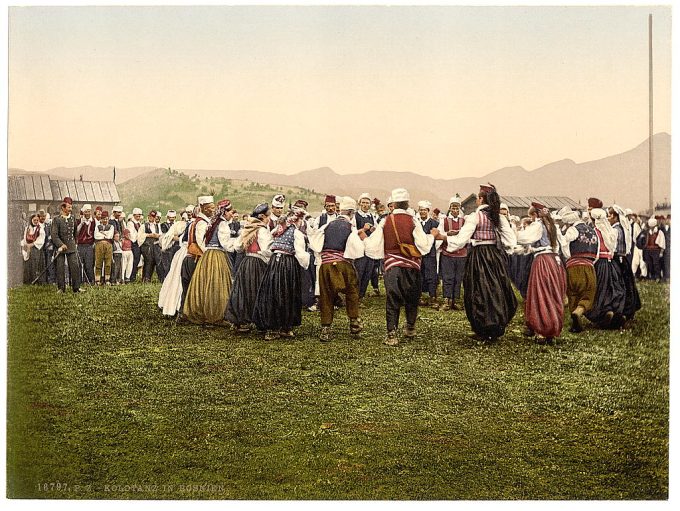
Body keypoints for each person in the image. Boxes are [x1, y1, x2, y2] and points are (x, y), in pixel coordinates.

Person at [433, 184, 517, 342]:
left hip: (479, 256)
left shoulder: (475, 217)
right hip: (494, 256)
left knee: (478, 291)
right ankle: (496, 326)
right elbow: (510, 240)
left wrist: (442, 237)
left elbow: (460, 241)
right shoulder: (498, 216)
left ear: (480, 199)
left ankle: (483, 328)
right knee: (496, 290)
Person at [363, 188, 434, 346]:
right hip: (412, 266)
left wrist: (364, 240)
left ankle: (391, 335)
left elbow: (374, 245)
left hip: (392, 266)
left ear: (393, 204)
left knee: (393, 299)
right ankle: (410, 327)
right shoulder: (413, 221)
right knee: (412, 297)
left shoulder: (386, 221)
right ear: (407, 204)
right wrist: (432, 236)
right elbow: (423, 246)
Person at [309, 196, 365, 342]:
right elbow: (357, 249)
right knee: (352, 291)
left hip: (326, 265)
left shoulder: (327, 225)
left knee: (326, 295)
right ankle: (354, 322)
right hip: (343, 264)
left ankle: (326, 329)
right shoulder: (350, 228)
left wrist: (325, 257)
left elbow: (315, 243)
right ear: (352, 213)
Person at [253, 205, 311, 340]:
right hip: (288, 264)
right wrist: (306, 262)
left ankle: (272, 328)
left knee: (272, 292)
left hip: (274, 263)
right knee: (288, 293)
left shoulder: (277, 230)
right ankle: (285, 327)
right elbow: (300, 253)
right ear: (297, 220)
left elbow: (268, 248)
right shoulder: (296, 233)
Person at [516, 202, 567, 344]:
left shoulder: (538, 225)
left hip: (542, 261)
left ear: (535, 214)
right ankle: (552, 329)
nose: (531, 219)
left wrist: (512, 232)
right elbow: (562, 246)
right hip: (554, 261)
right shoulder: (553, 226)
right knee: (553, 294)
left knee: (541, 294)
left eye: (531, 215)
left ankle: (542, 330)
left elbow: (525, 238)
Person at [183, 199, 236, 325]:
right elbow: (226, 244)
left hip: (208, 255)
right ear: (224, 212)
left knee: (206, 284)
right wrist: (239, 243)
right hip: (217, 255)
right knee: (217, 285)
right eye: (230, 212)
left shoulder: (213, 222)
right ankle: (216, 314)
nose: (231, 215)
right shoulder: (222, 224)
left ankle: (205, 312)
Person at [226, 203, 274, 332]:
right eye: (268, 216)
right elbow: (266, 250)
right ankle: (258, 320)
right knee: (257, 291)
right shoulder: (262, 230)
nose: (269, 219)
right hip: (258, 263)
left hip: (246, 261)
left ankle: (240, 321)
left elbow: (238, 247)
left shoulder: (247, 228)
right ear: (263, 216)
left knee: (243, 291)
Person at [558, 207, 599, 333]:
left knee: (573, 294)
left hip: (573, 266)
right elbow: (596, 253)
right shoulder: (593, 231)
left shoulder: (572, 230)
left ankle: (574, 319)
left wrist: (568, 258)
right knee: (588, 294)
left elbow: (565, 246)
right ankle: (578, 312)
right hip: (589, 265)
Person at [179, 196, 215, 321]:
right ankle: (192, 314)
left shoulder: (197, 221)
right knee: (194, 287)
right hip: (195, 258)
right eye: (210, 208)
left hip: (189, 257)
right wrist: (208, 254)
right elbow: (201, 241)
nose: (213, 210)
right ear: (204, 208)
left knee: (187, 287)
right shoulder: (201, 223)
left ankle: (184, 313)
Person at [608, 205, 641, 324]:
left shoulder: (615, 230)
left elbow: (613, 247)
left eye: (609, 216)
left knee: (620, 285)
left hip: (617, 259)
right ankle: (629, 310)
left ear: (614, 216)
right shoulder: (622, 228)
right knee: (628, 285)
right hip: (623, 259)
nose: (608, 218)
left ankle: (622, 311)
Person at [435, 195, 467, 311]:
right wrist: (449, 234)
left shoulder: (464, 221)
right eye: (453, 208)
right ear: (449, 208)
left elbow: (467, 235)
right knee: (448, 277)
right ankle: (447, 300)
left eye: (457, 208)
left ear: (460, 209)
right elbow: (439, 234)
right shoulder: (444, 221)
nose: (455, 210)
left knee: (458, 277)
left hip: (461, 254)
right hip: (448, 253)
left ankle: (455, 300)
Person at [51, 197, 82, 293]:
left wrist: (75, 243)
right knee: (60, 268)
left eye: (71, 207)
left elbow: (75, 233)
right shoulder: (56, 220)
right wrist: (60, 245)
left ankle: (76, 288)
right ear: (63, 208)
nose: (70, 209)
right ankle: (61, 288)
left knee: (75, 267)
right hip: (61, 248)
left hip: (72, 247)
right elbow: (54, 235)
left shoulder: (73, 218)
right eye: (68, 207)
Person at [354, 193, 379, 300]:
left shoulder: (372, 216)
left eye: (367, 203)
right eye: (363, 203)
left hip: (369, 248)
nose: (365, 205)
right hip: (359, 247)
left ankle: (361, 296)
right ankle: (355, 296)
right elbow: (352, 232)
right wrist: (363, 229)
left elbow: (377, 231)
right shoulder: (356, 216)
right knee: (359, 272)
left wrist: (374, 230)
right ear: (359, 204)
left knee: (368, 272)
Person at [416, 200, 440, 308]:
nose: (423, 212)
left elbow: (438, 239)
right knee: (418, 275)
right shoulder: (415, 223)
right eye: (421, 210)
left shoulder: (435, 223)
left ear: (428, 211)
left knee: (431, 275)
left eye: (425, 210)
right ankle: (418, 296)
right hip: (418, 254)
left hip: (430, 254)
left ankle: (432, 297)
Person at [21, 213, 47, 284]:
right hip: (28, 249)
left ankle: (36, 281)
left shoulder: (40, 229)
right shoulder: (27, 228)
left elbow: (41, 240)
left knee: (35, 265)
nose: (35, 221)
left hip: (36, 249)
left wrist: (31, 245)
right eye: (34, 220)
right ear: (31, 220)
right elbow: (24, 238)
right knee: (27, 264)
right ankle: (27, 281)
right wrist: (26, 245)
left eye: (37, 220)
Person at [76, 203, 96, 284]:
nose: (87, 213)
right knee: (79, 264)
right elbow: (76, 232)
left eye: (89, 211)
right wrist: (82, 223)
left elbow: (95, 232)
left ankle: (89, 281)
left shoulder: (93, 222)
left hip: (89, 245)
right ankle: (79, 281)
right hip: (80, 245)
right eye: (86, 212)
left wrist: (94, 242)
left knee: (89, 264)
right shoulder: (78, 221)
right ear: (83, 212)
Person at [140, 210, 163, 282]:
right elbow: (140, 236)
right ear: (148, 216)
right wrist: (149, 235)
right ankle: (146, 278)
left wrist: (158, 236)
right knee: (148, 261)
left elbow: (162, 235)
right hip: (148, 246)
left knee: (158, 261)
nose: (151, 218)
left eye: (153, 217)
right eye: (150, 216)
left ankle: (161, 278)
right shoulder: (144, 226)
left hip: (156, 245)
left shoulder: (158, 226)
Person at [93, 210, 115, 285]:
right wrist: (105, 234)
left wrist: (102, 233)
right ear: (101, 219)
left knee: (108, 263)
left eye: (106, 219)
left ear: (108, 219)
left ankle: (107, 280)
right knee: (98, 262)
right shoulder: (97, 226)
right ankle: (97, 280)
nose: (105, 220)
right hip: (99, 245)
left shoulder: (111, 226)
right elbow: (96, 236)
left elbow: (110, 236)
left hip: (108, 245)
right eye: (103, 219)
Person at [126, 208, 144, 282]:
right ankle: (131, 276)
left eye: (140, 215)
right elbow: (131, 234)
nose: (138, 217)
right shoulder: (131, 223)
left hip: (139, 243)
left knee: (137, 260)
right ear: (134, 215)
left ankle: (134, 275)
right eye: (137, 215)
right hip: (134, 243)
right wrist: (138, 236)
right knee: (134, 260)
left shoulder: (139, 223)